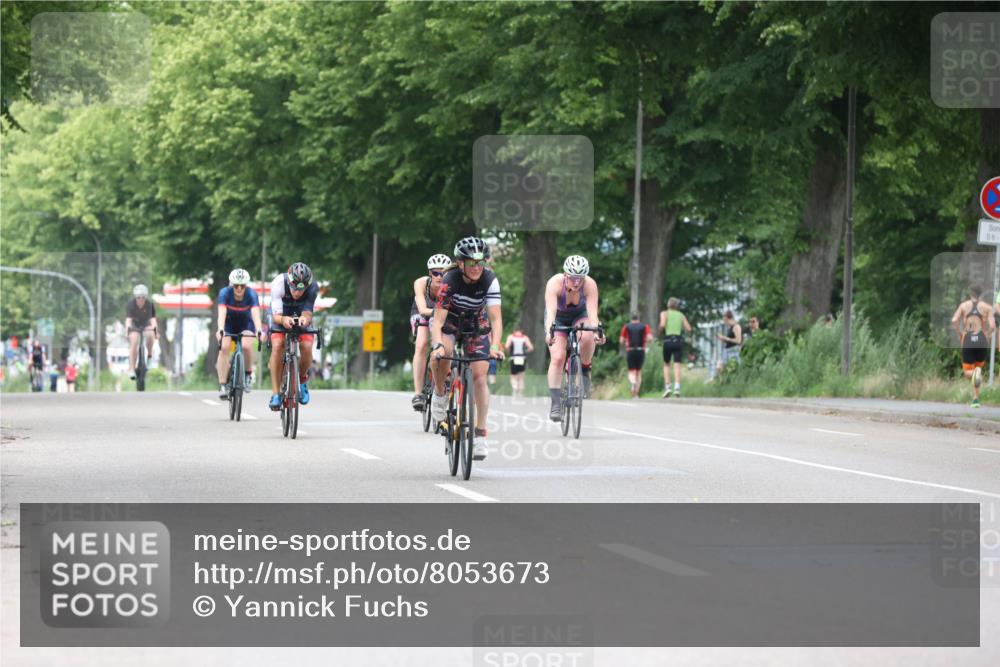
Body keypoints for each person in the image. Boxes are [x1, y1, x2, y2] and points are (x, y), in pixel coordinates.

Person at [429, 237, 504, 460]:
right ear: (460, 263)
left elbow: (496, 320)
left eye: (480, 262)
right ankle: (440, 394)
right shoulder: (449, 280)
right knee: (444, 355)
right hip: (450, 321)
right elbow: (438, 322)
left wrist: (495, 346)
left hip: (476, 323)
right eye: (471, 263)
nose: (476, 268)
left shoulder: (490, 279)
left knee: (480, 374)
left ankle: (480, 434)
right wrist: (437, 345)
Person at [544, 255, 605, 420]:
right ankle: (556, 403)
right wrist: (548, 332)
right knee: (557, 357)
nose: (577, 282)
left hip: (580, 315)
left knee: (587, 336)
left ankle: (584, 368)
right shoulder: (554, 283)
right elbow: (550, 313)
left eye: (580, 278)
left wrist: (597, 332)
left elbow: (593, 313)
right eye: (572, 278)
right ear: (565, 274)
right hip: (558, 317)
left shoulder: (590, 284)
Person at [268, 262, 319, 411]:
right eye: (294, 287)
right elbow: (277, 316)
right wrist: (284, 319)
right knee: (277, 346)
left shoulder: (313, 287)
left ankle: (302, 379)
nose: (297, 292)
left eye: (301, 289)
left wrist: (304, 319)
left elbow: (308, 313)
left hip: (300, 312)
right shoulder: (278, 283)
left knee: (307, 345)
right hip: (281, 314)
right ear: (289, 281)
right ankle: (275, 393)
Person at [410, 253, 452, 411]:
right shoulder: (421, 283)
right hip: (423, 311)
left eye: (444, 273)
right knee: (421, 345)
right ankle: (418, 393)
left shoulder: (452, 285)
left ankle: (445, 375)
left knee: (445, 343)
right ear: (430, 274)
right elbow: (422, 309)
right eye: (436, 273)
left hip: (442, 314)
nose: (440, 276)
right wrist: (440, 314)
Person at [215, 268, 264, 399]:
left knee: (247, 346)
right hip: (229, 323)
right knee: (224, 348)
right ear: (232, 284)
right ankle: (222, 384)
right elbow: (221, 313)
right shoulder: (224, 293)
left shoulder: (251, 294)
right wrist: (220, 328)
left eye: (242, 286)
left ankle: (248, 375)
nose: (239, 289)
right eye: (236, 285)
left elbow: (255, 314)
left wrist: (259, 329)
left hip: (246, 324)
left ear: (246, 286)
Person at [951, 285, 995, 407]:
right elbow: (992, 326)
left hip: (968, 339)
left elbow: (954, 320)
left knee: (967, 372)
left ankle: (975, 391)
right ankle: (976, 399)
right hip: (981, 339)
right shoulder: (987, 307)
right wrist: (987, 335)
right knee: (977, 371)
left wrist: (960, 334)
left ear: (970, 293)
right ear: (980, 294)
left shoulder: (964, 306)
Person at [658, 297, 692, 397]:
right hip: (678, 340)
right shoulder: (681, 315)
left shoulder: (664, 313)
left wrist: (659, 330)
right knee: (677, 365)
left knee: (666, 364)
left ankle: (668, 387)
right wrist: (680, 328)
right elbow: (689, 328)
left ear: (668, 304)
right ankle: (677, 388)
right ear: (677, 306)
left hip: (668, 340)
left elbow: (663, 325)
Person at [125, 284, 158, 381]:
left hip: (146, 324)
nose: (141, 300)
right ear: (136, 297)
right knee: (134, 340)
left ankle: (149, 356)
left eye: (143, 297)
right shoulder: (131, 305)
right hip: (135, 325)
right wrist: (127, 332)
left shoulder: (150, 305)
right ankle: (131, 368)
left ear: (146, 297)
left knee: (150, 335)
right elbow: (128, 321)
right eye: (138, 297)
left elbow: (153, 321)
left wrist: (155, 332)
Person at [620, 313, 653, 398]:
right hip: (641, 350)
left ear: (631, 319)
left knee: (631, 371)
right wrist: (646, 341)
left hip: (630, 350)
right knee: (638, 372)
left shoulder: (626, 327)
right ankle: (636, 394)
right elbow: (650, 338)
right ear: (639, 319)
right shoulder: (645, 326)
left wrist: (626, 342)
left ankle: (633, 382)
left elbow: (621, 340)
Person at [504, 328, 534, 400]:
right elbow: (531, 348)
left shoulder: (511, 337)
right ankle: (520, 393)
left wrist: (508, 351)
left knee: (513, 376)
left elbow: (506, 346)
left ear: (514, 331)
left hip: (514, 358)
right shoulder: (525, 337)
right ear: (521, 331)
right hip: (522, 358)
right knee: (521, 376)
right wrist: (525, 351)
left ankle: (515, 389)